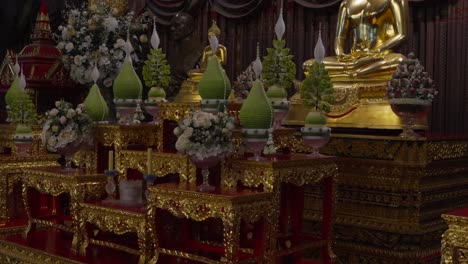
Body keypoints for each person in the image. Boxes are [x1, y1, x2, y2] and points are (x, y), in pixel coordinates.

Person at [304, 0, 409, 79]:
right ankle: (354, 69)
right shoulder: (346, 3)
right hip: (353, 58)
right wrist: (340, 53)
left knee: (400, 61)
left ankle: (353, 73)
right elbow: (340, 37)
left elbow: (401, 35)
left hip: (379, 57)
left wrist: (376, 51)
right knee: (309, 65)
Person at [167, 12, 204, 97]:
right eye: (171, 26)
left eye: (177, 25)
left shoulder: (200, 52)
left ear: (190, 28)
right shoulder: (173, 51)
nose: (172, 29)